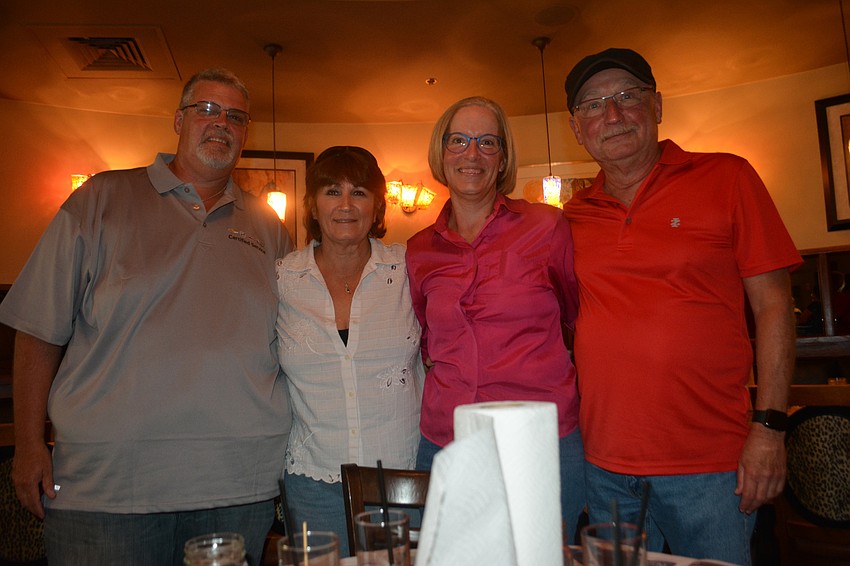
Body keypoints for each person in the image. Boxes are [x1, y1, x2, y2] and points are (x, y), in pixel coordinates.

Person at [0, 68, 294, 566]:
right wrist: (29, 444)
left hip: (239, 484)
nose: (221, 123)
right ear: (178, 120)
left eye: (235, 116)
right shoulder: (99, 200)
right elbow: (36, 331)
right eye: (206, 110)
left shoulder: (269, 227)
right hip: (107, 490)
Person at [562, 48, 802, 564]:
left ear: (658, 105)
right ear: (577, 129)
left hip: (712, 466)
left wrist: (770, 427)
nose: (613, 115)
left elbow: (775, 307)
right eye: (594, 105)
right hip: (603, 466)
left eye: (628, 97)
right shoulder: (573, 215)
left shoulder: (728, 177)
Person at [405, 96, 586, 541]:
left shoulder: (548, 227)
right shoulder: (418, 249)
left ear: (503, 156)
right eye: (459, 141)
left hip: (541, 442)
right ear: (441, 152)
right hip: (447, 441)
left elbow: (577, 318)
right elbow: (426, 338)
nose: (472, 154)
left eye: (488, 142)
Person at [276, 146, 423, 553]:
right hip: (312, 483)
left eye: (358, 192)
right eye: (331, 191)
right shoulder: (282, 279)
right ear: (312, 205)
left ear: (377, 206)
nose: (345, 205)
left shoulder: (410, 270)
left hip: (402, 479)